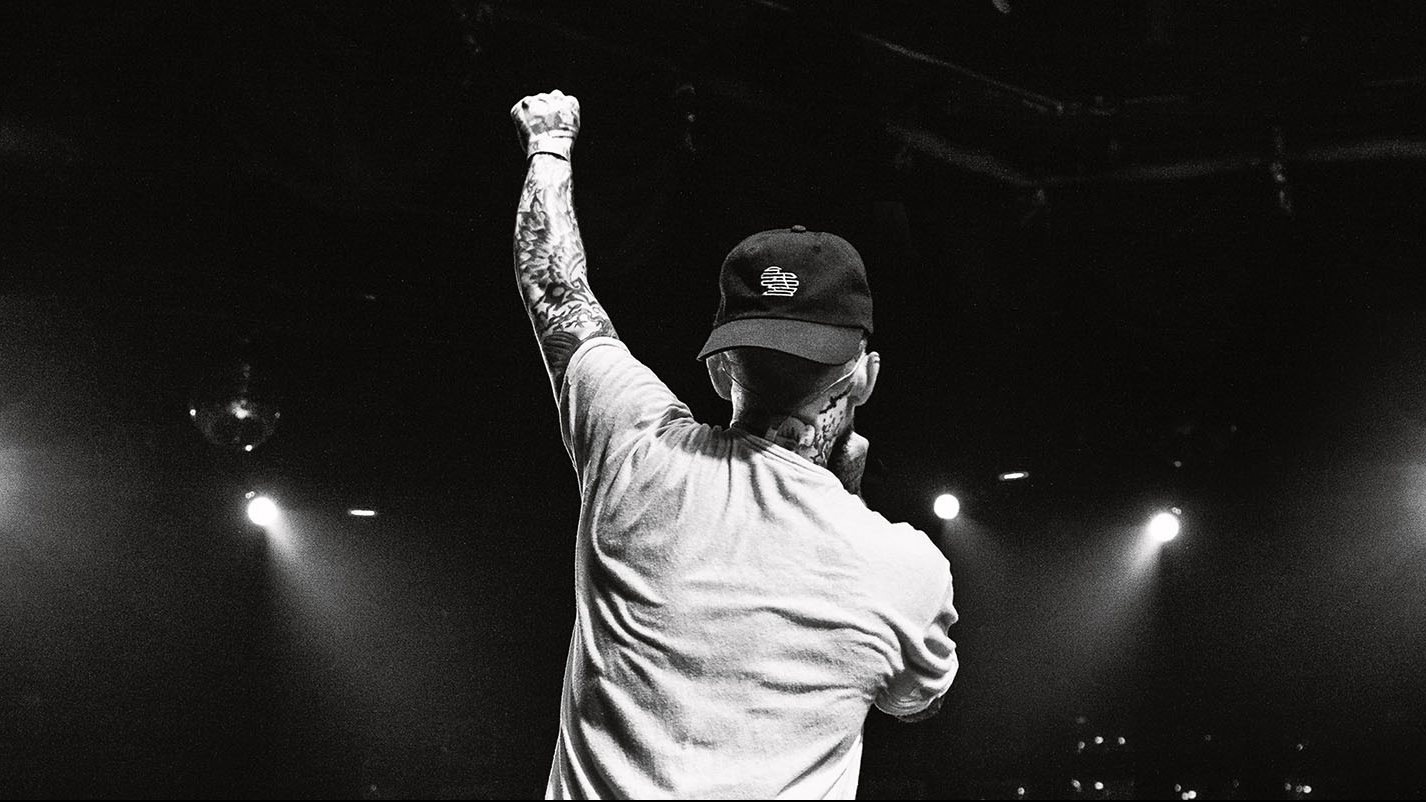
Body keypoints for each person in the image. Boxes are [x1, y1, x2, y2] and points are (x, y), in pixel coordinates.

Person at [510, 89, 959, 800]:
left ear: (721, 370)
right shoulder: (904, 571)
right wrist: (846, 498)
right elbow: (915, 703)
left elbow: (557, 293)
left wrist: (549, 142)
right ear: (866, 377)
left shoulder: (634, 455)